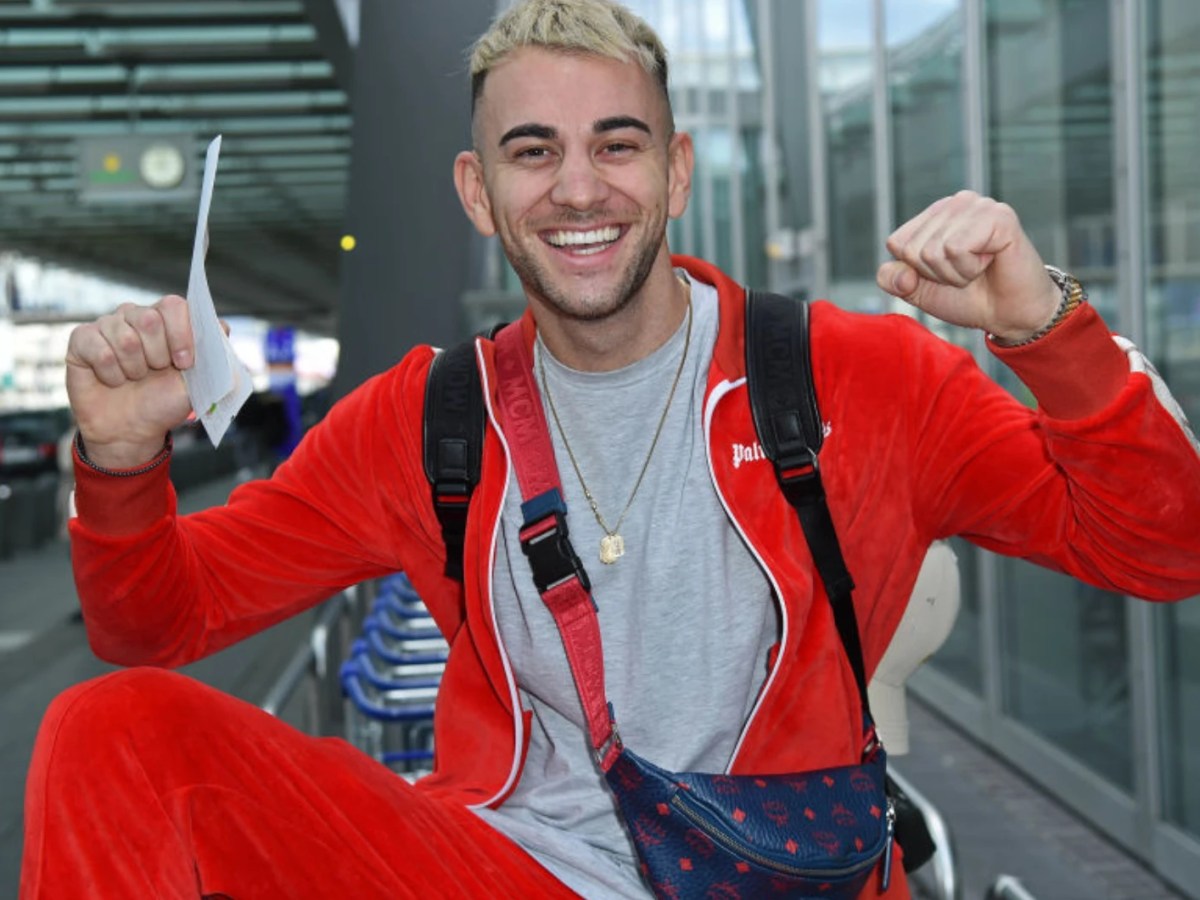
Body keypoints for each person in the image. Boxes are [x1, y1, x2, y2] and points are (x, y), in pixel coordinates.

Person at [21, 1, 1200, 897]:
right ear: (478, 194)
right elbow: (154, 625)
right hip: (505, 861)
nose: (577, 188)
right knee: (110, 729)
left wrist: (1049, 327)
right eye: (533, 152)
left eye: (618, 145)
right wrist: (120, 470)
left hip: (774, 869)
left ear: (676, 170)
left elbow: (1164, 544)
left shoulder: (858, 380)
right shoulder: (425, 419)